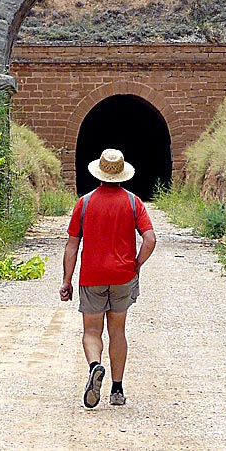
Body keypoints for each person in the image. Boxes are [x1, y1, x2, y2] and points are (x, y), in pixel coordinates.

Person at [59, 148, 157, 409]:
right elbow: (150, 239)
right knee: (118, 331)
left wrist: (67, 280)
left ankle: (94, 366)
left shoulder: (85, 203)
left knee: (92, 331)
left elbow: (72, 246)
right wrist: (136, 264)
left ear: (99, 173)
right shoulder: (134, 203)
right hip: (123, 277)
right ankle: (117, 389)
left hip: (92, 276)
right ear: (122, 174)